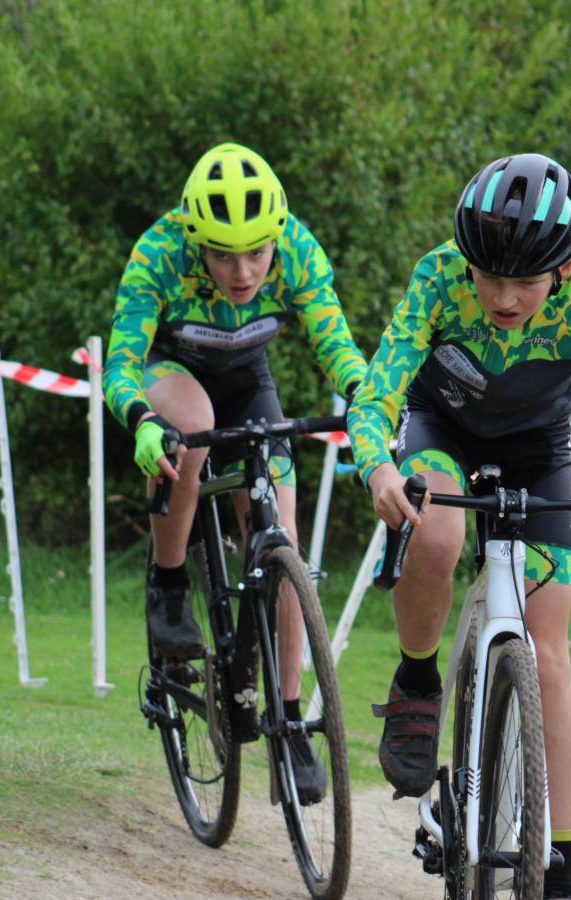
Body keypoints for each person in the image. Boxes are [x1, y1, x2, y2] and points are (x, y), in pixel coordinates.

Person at [347, 152, 571, 900]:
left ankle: (558, 880)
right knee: (438, 536)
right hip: (441, 434)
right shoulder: (437, 277)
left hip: (538, 451)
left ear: (561, 270)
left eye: (525, 283)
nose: (503, 298)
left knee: (549, 658)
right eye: (490, 277)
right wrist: (378, 466)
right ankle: (418, 682)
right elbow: (378, 391)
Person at [104, 141, 367, 798]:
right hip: (170, 370)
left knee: (284, 536)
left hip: (249, 378)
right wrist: (142, 419)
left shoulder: (298, 249)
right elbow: (121, 360)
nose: (243, 271)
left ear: (276, 236)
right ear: (197, 242)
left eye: (256, 253)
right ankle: (170, 586)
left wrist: (367, 397)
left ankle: (289, 716)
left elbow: (336, 344)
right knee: (189, 429)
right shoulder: (159, 252)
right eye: (223, 255)